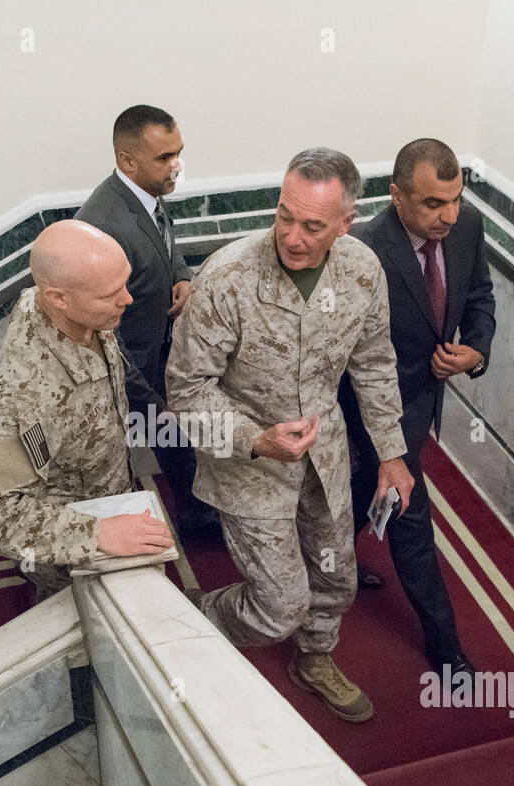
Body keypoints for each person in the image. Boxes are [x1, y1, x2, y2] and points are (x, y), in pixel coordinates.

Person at [166, 148, 415, 723]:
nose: (293, 236)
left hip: (324, 463)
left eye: (312, 225)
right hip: (248, 467)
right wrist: (258, 439)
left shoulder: (361, 270)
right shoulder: (226, 280)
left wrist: (392, 453)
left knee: (336, 580)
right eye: (284, 216)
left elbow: (374, 362)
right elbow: (184, 393)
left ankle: (314, 660)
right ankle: (198, 617)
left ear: (346, 224)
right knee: (278, 608)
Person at [343, 137, 497, 677]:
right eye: (433, 203)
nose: (448, 215)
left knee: (359, 497)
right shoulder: (362, 249)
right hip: (367, 410)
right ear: (396, 196)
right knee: (411, 523)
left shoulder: (467, 227)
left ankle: (332, 559)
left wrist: (475, 351)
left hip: (423, 406)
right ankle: (447, 650)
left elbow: (479, 297)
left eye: (455, 198)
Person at [0, 220, 174, 598]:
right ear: (59, 298)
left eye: (125, 283)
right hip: (76, 558)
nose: (127, 299)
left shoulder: (77, 308)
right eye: (111, 294)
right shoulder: (26, 395)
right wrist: (97, 533)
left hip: (111, 497)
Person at [74, 105, 217, 535]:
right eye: (164, 158)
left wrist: (180, 274)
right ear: (126, 160)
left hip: (158, 355)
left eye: (178, 153)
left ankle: (197, 515)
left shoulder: (146, 192)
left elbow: (164, 236)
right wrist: (152, 403)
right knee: (144, 447)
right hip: (126, 371)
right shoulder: (104, 225)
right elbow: (102, 339)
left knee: (175, 441)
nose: (176, 166)